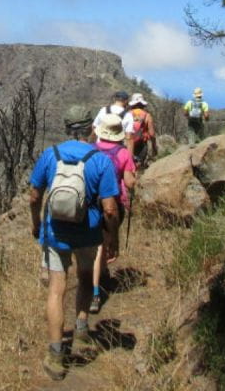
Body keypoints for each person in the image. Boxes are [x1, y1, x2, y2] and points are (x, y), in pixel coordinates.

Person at [30, 106, 120, 381]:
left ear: (67, 129)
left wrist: (36, 224)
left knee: (56, 290)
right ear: (91, 129)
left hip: (55, 232)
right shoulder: (100, 160)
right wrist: (112, 238)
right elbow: (110, 209)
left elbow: (34, 196)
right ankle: (81, 328)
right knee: (84, 279)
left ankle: (56, 354)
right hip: (88, 233)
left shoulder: (50, 155)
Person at [90, 113, 136, 314]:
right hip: (113, 202)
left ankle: (101, 275)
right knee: (102, 244)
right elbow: (129, 182)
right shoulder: (123, 153)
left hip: (92, 201)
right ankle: (95, 291)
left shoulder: (91, 150)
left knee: (96, 243)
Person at [90, 90, 135, 157]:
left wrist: (91, 144)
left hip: (99, 148)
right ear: (126, 101)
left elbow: (94, 127)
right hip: (116, 151)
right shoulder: (128, 115)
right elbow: (129, 137)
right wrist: (130, 157)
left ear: (115, 99)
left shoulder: (104, 110)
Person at [127, 92, 158, 169]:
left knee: (128, 165)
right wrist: (154, 147)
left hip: (128, 143)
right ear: (143, 104)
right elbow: (152, 134)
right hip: (141, 144)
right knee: (139, 166)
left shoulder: (127, 114)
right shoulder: (147, 115)